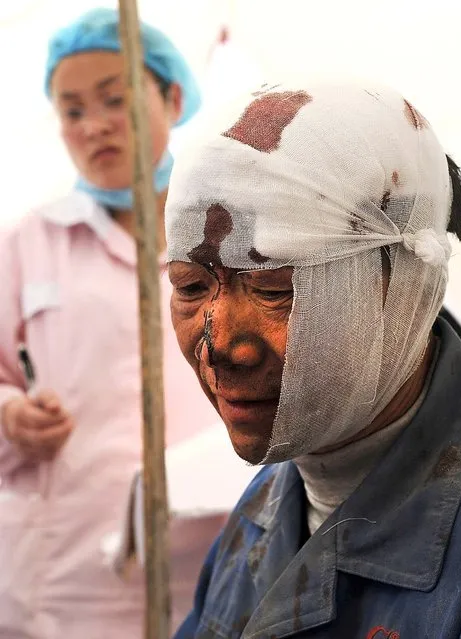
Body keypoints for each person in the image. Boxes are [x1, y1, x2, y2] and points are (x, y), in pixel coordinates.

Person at [165, 81, 461, 637]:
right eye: (192, 285)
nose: (221, 346)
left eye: (275, 291)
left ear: (408, 285)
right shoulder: (276, 494)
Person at [0, 8, 217, 638]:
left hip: (200, 567)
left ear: (171, 97)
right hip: (58, 582)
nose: (93, 125)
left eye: (115, 99)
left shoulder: (227, 234)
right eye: (71, 111)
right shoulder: (30, 242)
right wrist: (11, 416)